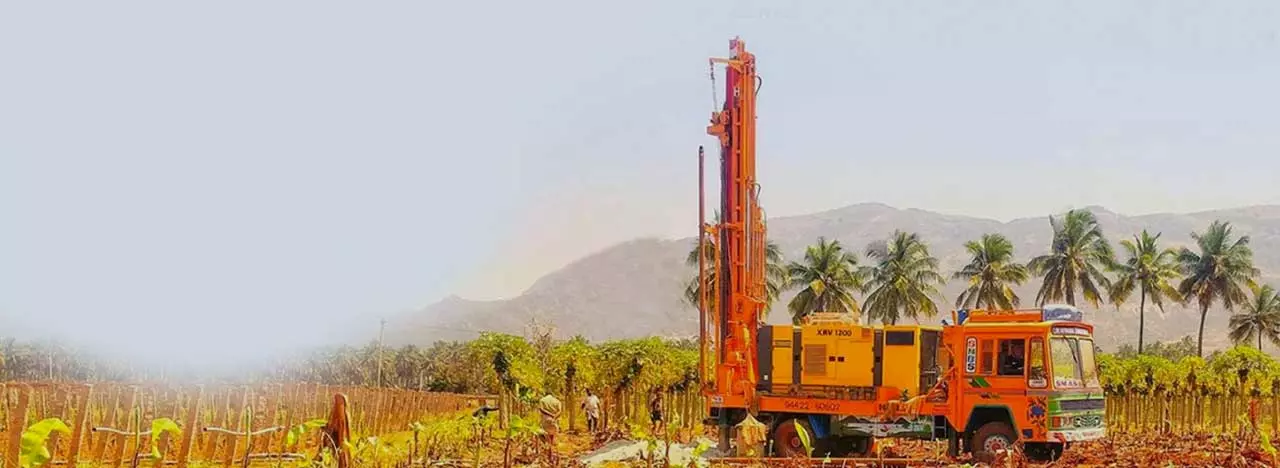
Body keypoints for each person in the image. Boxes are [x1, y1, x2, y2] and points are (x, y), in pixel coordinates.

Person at [537, 392, 562, 463]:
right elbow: (560, 411)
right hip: (554, 422)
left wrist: (549, 414)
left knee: (542, 435)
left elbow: (541, 409)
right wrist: (554, 416)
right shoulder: (557, 401)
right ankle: (551, 455)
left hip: (545, 421)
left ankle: (549, 453)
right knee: (552, 438)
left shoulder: (542, 400)